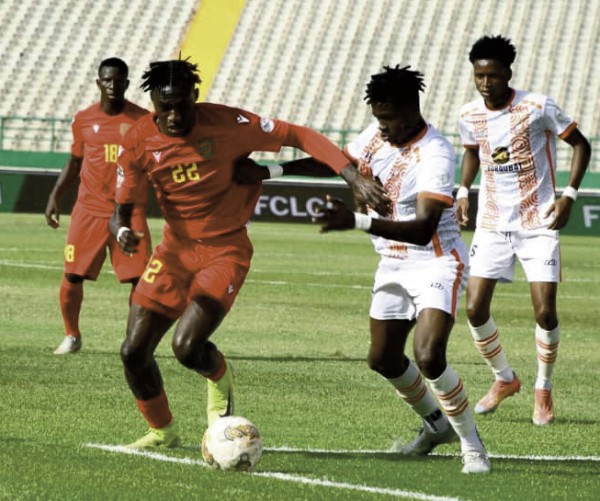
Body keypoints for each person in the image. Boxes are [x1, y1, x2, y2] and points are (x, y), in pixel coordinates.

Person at [110, 58, 389, 449]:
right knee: (133, 351)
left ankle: (219, 378)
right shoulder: (138, 140)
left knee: (186, 348)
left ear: (195, 95)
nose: (173, 116)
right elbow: (119, 213)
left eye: (180, 105)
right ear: (153, 102)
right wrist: (123, 231)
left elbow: (301, 136)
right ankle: (163, 431)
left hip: (225, 250)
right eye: (163, 107)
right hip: (174, 250)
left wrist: (352, 176)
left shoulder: (230, 124)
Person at [236, 65, 490, 474]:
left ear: (412, 109)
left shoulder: (436, 155)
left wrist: (355, 220)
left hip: (436, 262)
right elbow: (338, 163)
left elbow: (423, 230)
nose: (382, 126)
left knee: (428, 355)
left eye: (388, 118)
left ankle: (472, 446)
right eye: (378, 117)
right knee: (383, 358)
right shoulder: (376, 136)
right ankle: (436, 425)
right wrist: (271, 171)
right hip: (392, 262)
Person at [456, 35, 591, 425]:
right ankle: (504, 378)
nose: (485, 83)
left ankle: (543, 388)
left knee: (545, 312)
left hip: (539, 221)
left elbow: (581, 145)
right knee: (474, 308)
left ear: (508, 74)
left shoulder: (537, 106)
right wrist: (463, 190)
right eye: (479, 76)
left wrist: (568, 195)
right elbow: (472, 151)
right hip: (492, 222)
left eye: (493, 76)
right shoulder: (469, 114)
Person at [45, 57, 151, 355]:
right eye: (107, 80)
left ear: (127, 83)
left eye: (118, 80)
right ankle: (72, 335)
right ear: (98, 83)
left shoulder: (143, 121)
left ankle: (135, 340)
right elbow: (74, 161)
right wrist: (55, 196)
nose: (113, 85)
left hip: (129, 210)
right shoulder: (83, 119)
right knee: (72, 274)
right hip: (89, 210)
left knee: (140, 280)